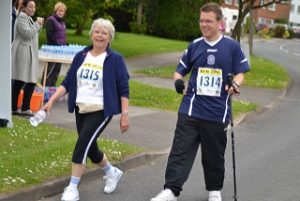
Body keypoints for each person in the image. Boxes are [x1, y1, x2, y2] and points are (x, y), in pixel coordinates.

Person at [150, 3, 250, 201]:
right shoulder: (195, 45)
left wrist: (235, 85)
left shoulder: (231, 46)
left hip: (217, 113)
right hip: (190, 110)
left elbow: (241, 73)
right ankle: (171, 190)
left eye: (208, 21)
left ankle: (214, 191)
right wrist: (178, 82)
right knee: (180, 152)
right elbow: (179, 71)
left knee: (213, 156)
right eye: (201, 20)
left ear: (219, 22)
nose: (204, 24)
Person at [43, 18, 130, 201]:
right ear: (91, 34)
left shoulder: (115, 59)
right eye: (97, 31)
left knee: (81, 145)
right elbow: (67, 83)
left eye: (104, 33)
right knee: (90, 148)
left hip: (101, 109)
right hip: (80, 107)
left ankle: (72, 188)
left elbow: (123, 88)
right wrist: (50, 101)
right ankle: (111, 171)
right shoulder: (81, 56)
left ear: (109, 38)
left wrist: (124, 114)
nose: (100, 35)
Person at [11, 0, 44, 116]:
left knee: (22, 80)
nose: (33, 9)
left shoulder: (27, 18)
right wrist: (36, 24)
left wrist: (38, 26)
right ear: (24, 7)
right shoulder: (22, 18)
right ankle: (22, 108)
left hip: (28, 51)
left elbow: (33, 35)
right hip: (23, 51)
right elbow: (27, 34)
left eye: (34, 7)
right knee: (27, 80)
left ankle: (16, 107)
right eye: (30, 7)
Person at [41, 2, 67, 87]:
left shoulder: (62, 22)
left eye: (63, 11)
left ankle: (52, 88)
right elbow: (49, 34)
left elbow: (62, 35)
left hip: (61, 50)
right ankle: (44, 87)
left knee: (57, 70)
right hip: (52, 49)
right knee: (49, 70)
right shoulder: (51, 20)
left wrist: (65, 44)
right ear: (56, 11)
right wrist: (57, 43)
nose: (61, 13)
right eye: (59, 11)